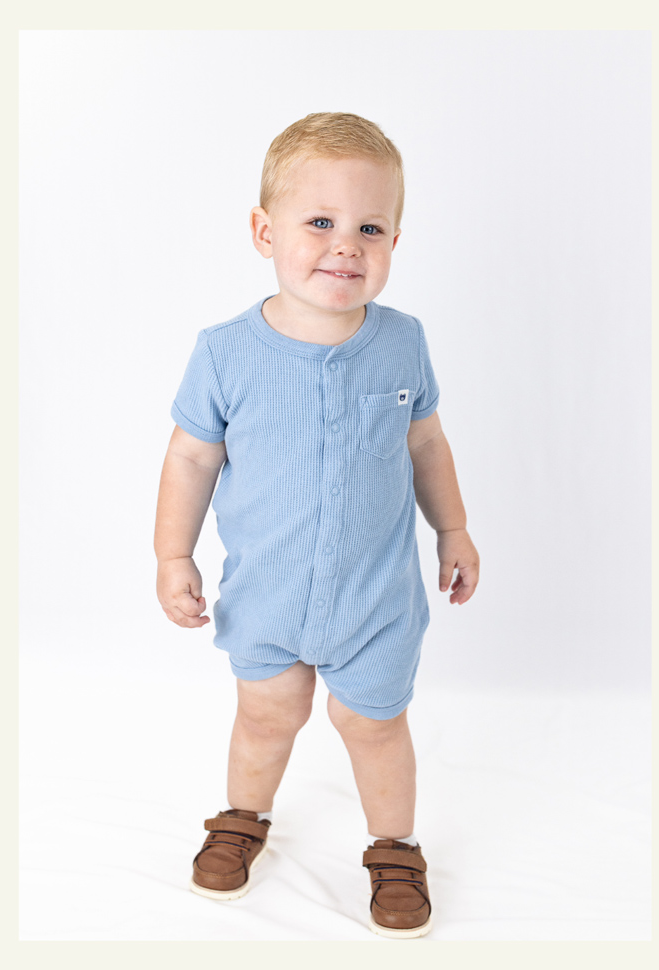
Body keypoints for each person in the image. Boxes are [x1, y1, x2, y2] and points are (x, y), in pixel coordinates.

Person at [153, 112, 479, 939]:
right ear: (265, 232)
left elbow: (426, 443)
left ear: (395, 239)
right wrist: (172, 553)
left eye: (369, 228)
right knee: (267, 714)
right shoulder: (225, 351)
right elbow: (190, 458)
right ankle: (242, 817)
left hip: (376, 596)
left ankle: (395, 846)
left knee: (374, 724)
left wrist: (453, 530)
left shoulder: (401, 342)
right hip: (267, 592)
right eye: (321, 222)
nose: (346, 246)